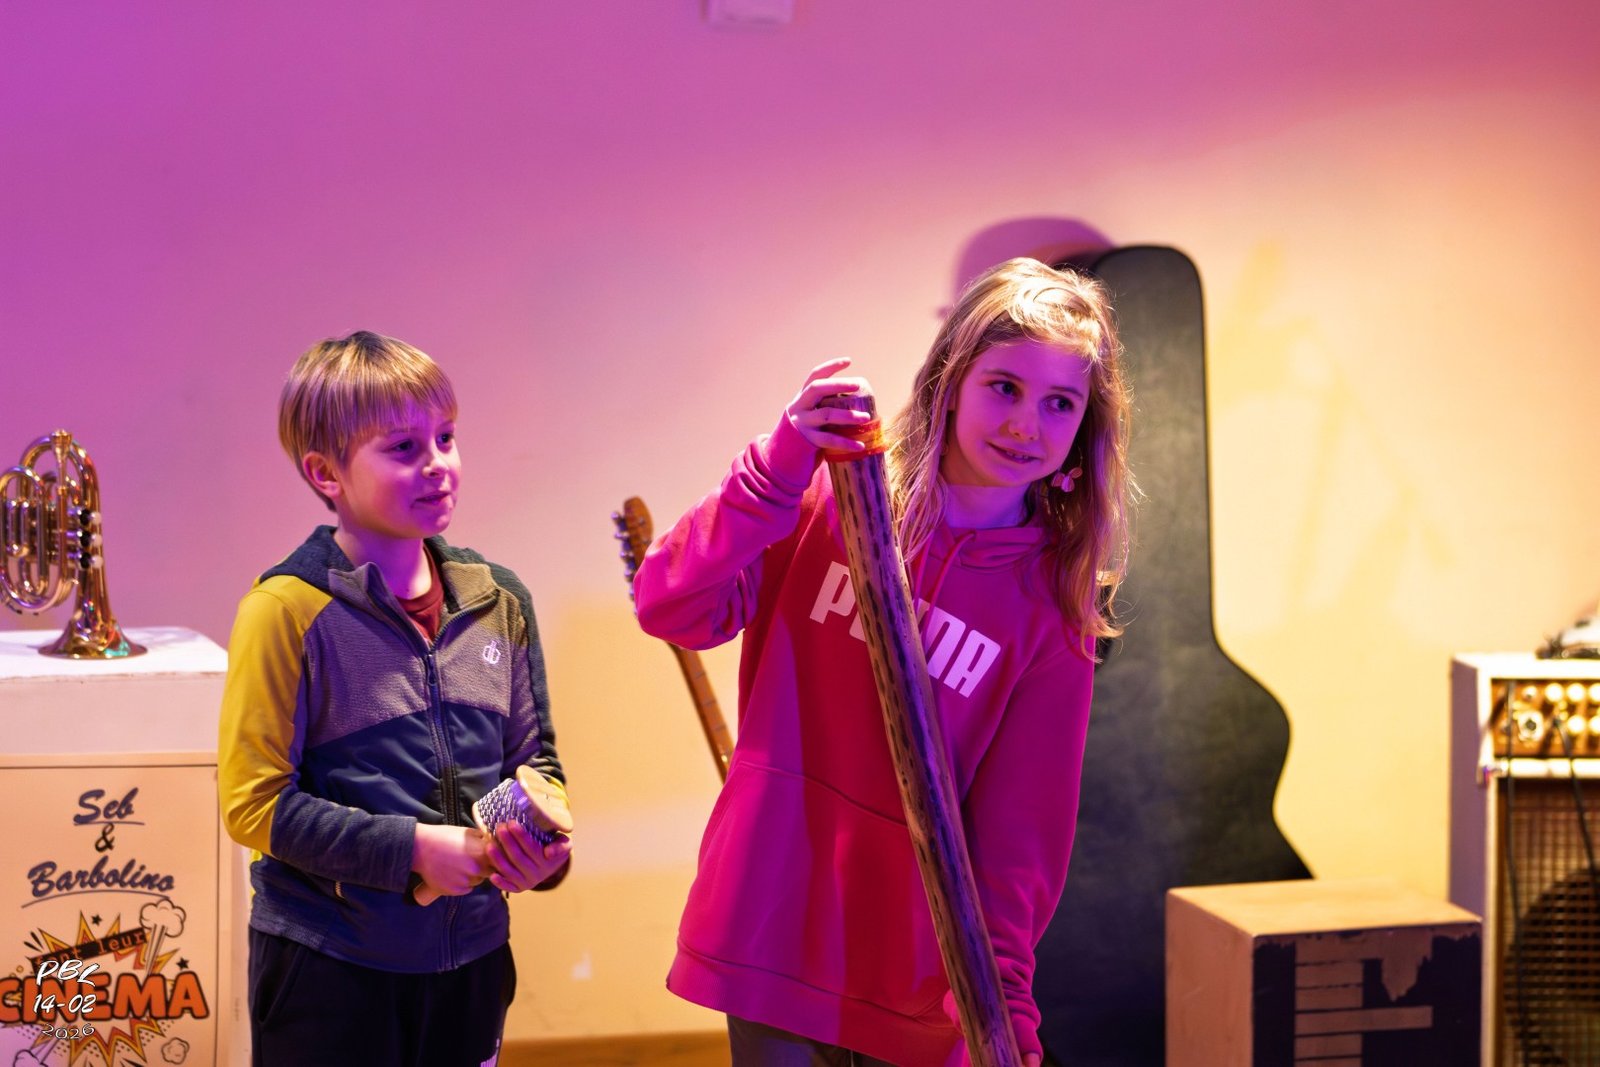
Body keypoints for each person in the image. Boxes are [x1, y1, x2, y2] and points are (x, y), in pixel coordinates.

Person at [633, 258, 1132, 1066]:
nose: (1024, 423)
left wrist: (1002, 1012)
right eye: (1003, 386)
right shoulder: (833, 498)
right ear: (949, 380)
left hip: (915, 974)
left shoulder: (1051, 608)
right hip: (771, 923)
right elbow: (670, 603)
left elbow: (1019, 839)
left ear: (1084, 426)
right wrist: (775, 467)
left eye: (1059, 403)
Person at [218, 331, 572, 1066]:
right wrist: (412, 849)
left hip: (473, 960)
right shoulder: (284, 610)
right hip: (329, 971)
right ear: (326, 472)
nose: (438, 465)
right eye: (403, 448)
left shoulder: (500, 600)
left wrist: (542, 853)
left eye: (446, 437)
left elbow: (535, 765)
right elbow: (253, 804)